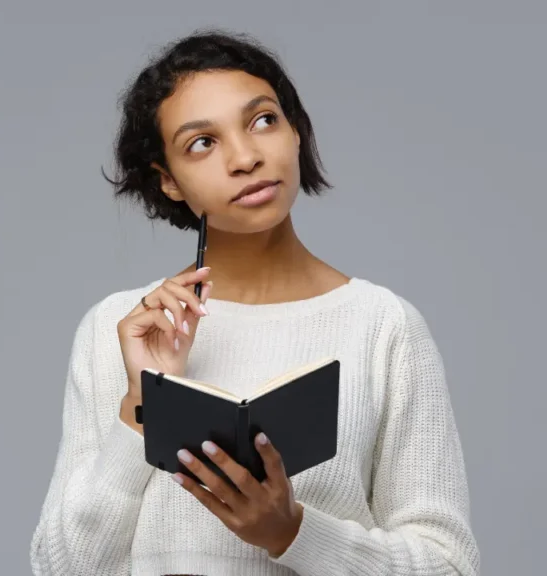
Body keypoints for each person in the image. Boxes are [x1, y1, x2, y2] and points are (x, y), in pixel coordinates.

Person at [29, 29, 480, 576]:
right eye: (203, 142)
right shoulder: (120, 330)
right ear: (169, 180)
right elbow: (62, 569)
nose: (245, 157)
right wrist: (139, 406)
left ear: (295, 132)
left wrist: (292, 532)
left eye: (263, 120)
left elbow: (449, 566)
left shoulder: (383, 327)